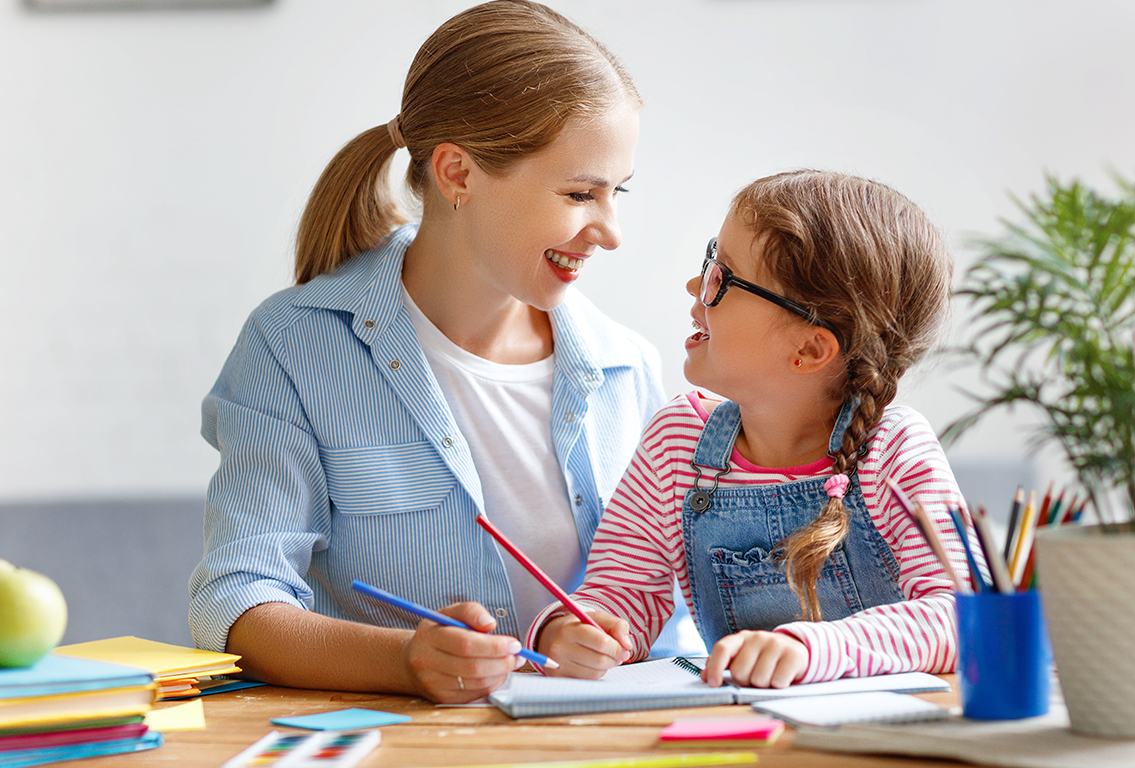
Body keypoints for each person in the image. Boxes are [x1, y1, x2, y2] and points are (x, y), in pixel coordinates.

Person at [189, 0, 697, 705]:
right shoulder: (291, 346)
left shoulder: (627, 368)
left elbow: (673, 609)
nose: (609, 231)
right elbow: (236, 603)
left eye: (618, 193)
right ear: (457, 173)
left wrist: (610, 634)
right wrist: (406, 660)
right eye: (580, 193)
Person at [528, 169, 971, 688]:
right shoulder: (678, 441)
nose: (697, 285)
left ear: (807, 350)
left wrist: (809, 649)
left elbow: (960, 616)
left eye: (724, 278)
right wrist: (570, 631)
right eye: (710, 261)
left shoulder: (893, 449)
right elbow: (618, 594)